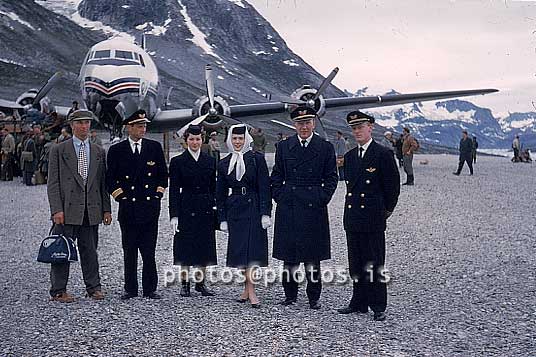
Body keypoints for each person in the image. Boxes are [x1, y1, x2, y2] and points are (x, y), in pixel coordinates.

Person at [271, 106, 338, 310]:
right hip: (289, 205)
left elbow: (331, 178)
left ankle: (313, 297)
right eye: (300, 123)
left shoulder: (325, 147)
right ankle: (290, 295)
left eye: (307, 122)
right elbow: (276, 176)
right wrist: (281, 196)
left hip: (313, 207)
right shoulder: (284, 146)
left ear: (314, 123)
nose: (304, 127)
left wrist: (321, 198)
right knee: (289, 256)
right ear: (294, 125)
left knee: (313, 256)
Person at [337, 110, 400, 321]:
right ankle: (358, 302)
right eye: (354, 128)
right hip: (353, 217)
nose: (357, 131)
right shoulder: (350, 157)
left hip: (373, 218)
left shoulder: (383, 154)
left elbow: (392, 189)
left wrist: (384, 213)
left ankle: (378, 304)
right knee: (356, 262)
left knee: (374, 262)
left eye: (361, 127)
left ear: (370, 127)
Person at [47, 109, 112, 302]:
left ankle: (93, 287)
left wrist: (106, 209)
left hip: (90, 210)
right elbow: (53, 183)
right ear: (72, 125)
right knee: (61, 250)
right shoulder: (59, 150)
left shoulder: (99, 151)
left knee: (90, 251)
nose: (84, 126)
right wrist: (56, 209)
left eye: (87, 123)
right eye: (80, 123)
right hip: (66, 210)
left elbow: (102, 184)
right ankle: (58, 290)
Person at [106, 110, 168, 300]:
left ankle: (150, 288)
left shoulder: (154, 147)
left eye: (144, 126)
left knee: (149, 251)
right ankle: (130, 288)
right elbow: (110, 179)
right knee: (130, 250)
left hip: (149, 208)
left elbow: (162, 175)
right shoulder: (117, 150)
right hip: (128, 208)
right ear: (129, 127)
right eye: (139, 126)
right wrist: (121, 197)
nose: (143, 129)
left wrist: (157, 195)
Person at [216, 124, 272, 308]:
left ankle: (251, 290)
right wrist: (222, 218)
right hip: (235, 209)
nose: (238, 142)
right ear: (230, 140)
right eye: (234, 139)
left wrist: (266, 213)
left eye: (240, 138)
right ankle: (246, 289)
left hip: (254, 208)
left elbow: (265, 187)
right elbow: (220, 192)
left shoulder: (256, 159)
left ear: (246, 139)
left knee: (252, 252)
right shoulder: (224, 163)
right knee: (240, 252)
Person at [169, 125, 217, 298]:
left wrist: (214, 206)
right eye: (191, 139)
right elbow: (173, 190)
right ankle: (184, 283)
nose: (195, 142)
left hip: (204, 207)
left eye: (197, 139)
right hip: (186, 206)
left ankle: (200, 283)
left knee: (204, 245)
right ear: (186, 140)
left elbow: (213, 187)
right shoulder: (177, 162)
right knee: (185, 246)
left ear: (202, 140)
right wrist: (174, 215)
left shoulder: (210, 161)